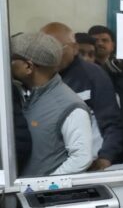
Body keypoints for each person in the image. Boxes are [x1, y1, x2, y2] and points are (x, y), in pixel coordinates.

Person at [42, 22, 123, 171]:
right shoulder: (40, 75)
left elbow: (111, 123)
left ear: (74, 48)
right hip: (51, 164)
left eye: (56, 48)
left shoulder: (93, 75)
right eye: (45, 49)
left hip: (89, 164)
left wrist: (105, 157)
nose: (50, 54)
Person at [11, 32, 93, 176]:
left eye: (11, 59)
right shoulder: (22, 94)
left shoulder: (69, 106)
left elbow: (81, 158)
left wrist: (48, 183)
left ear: (28, 67)